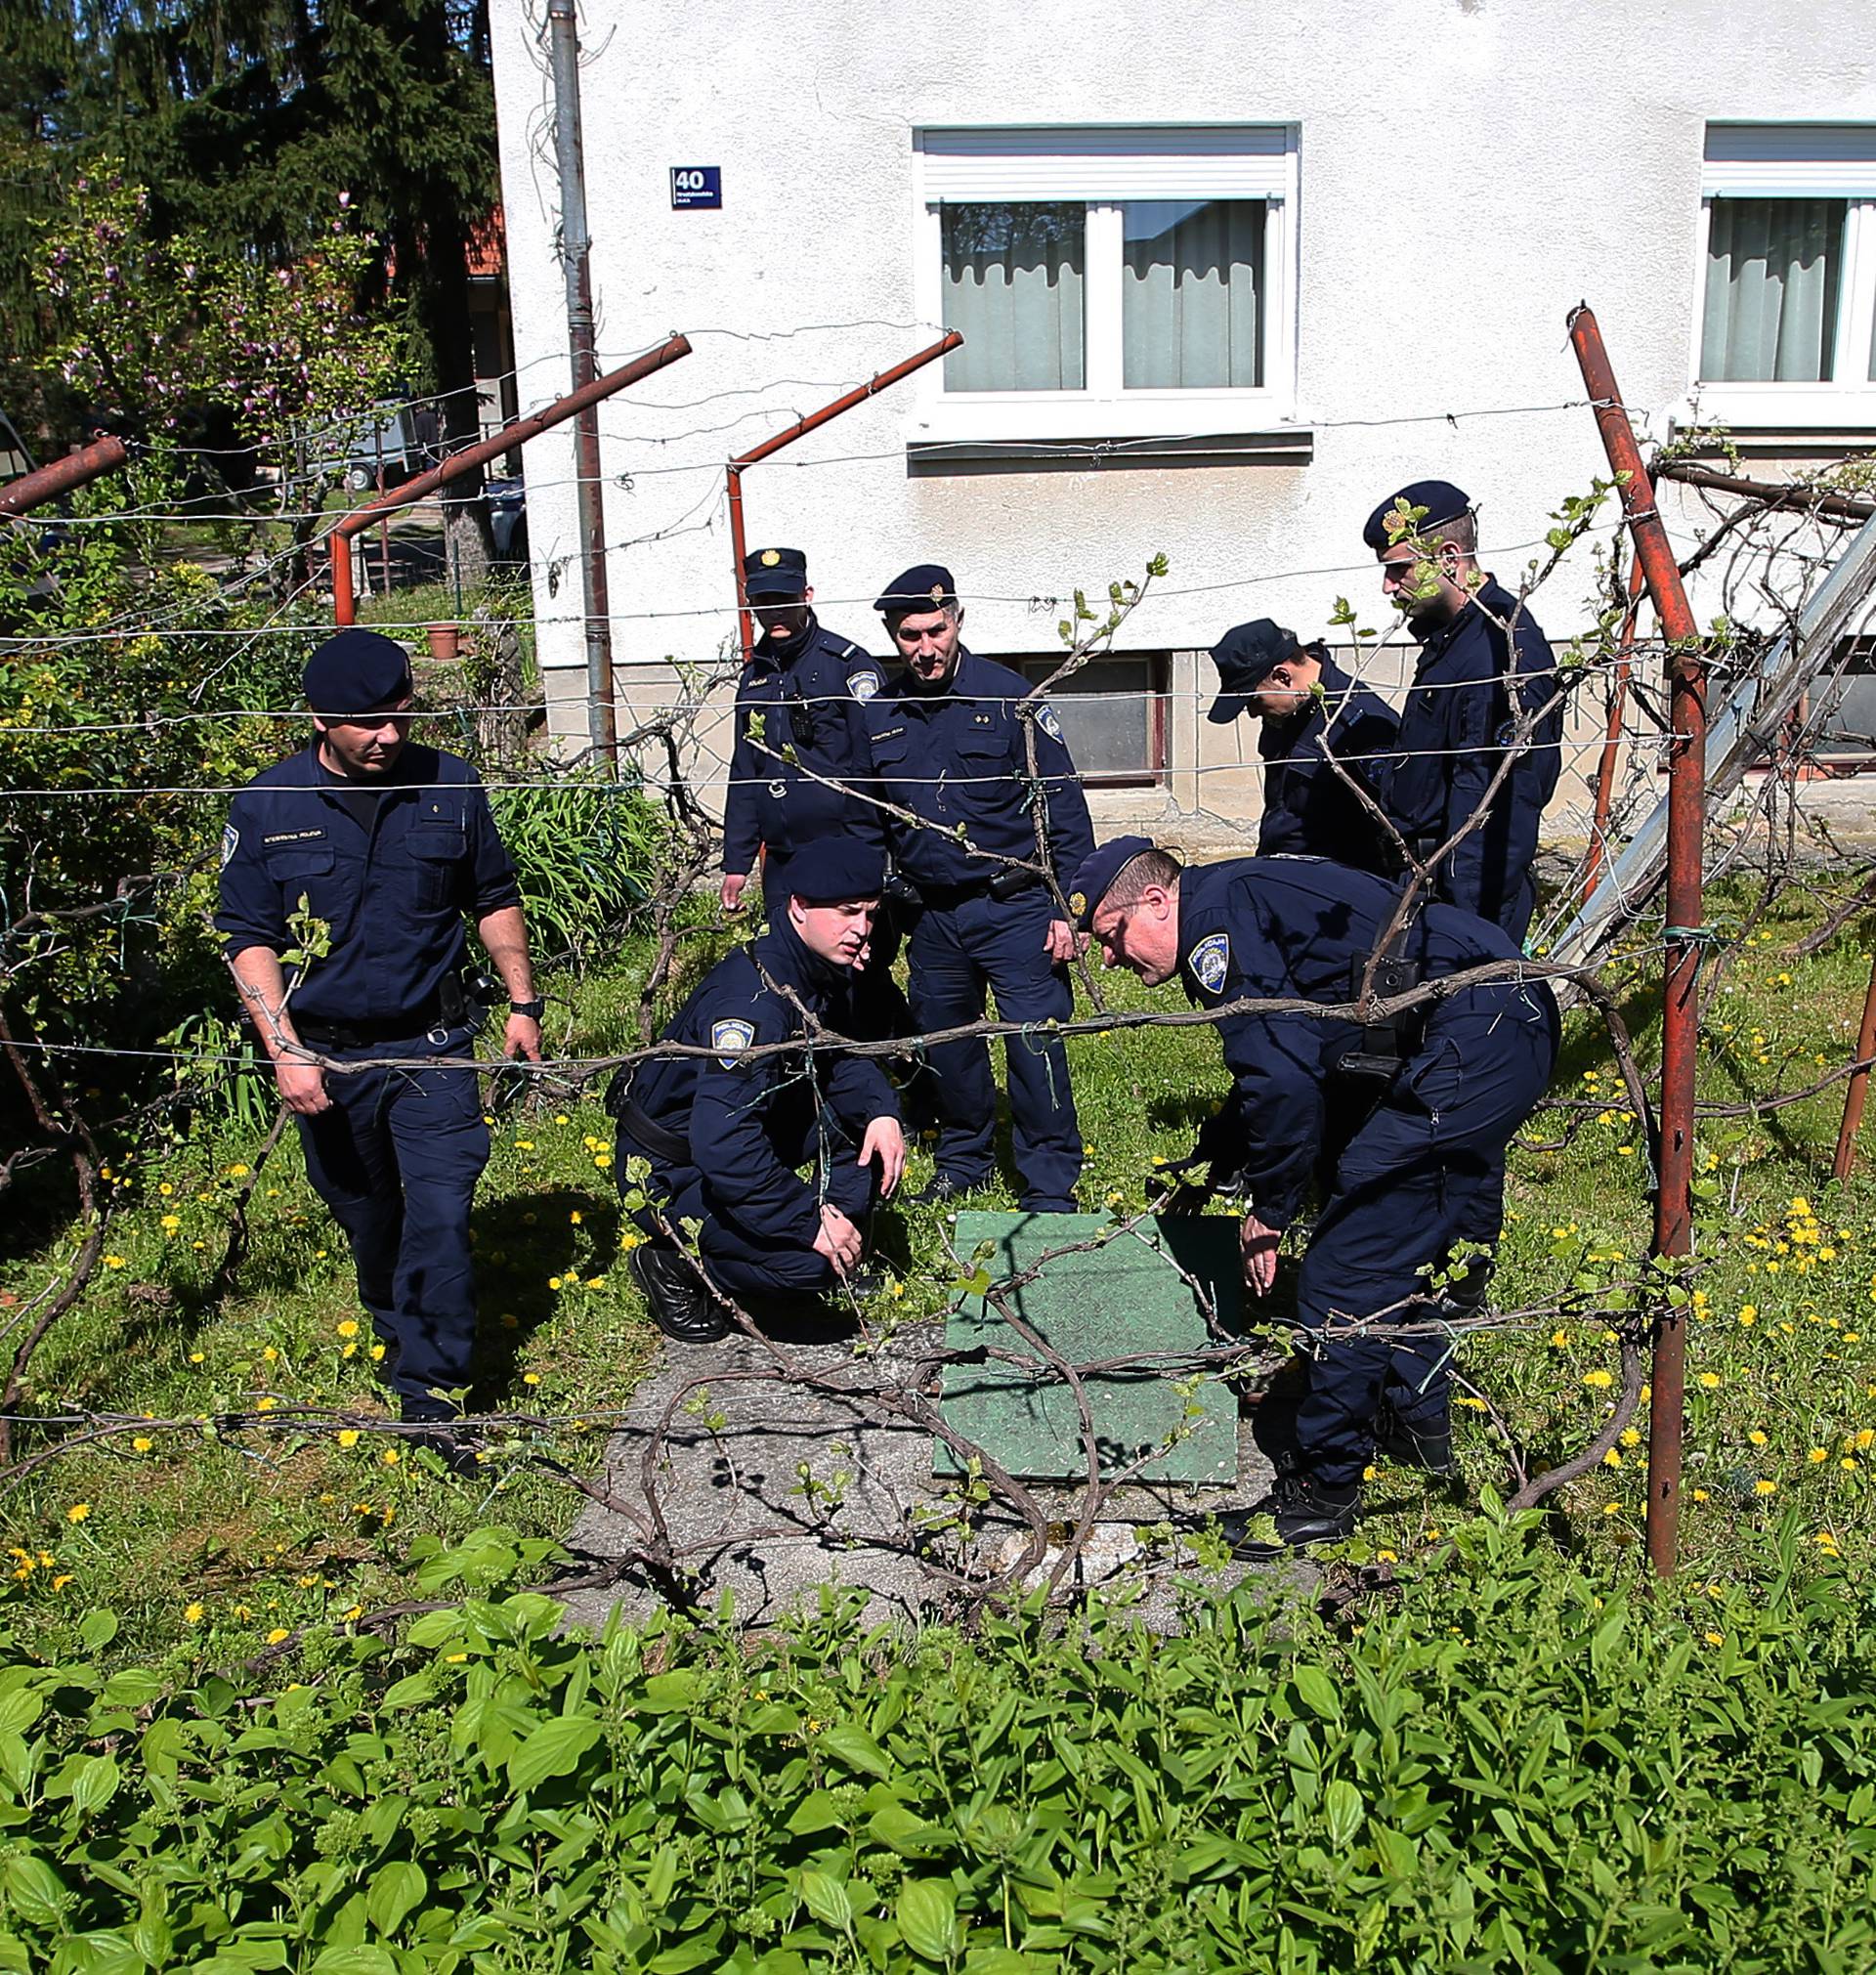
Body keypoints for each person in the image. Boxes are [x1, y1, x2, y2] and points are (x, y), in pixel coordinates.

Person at [1071, 836, 1556, 1550]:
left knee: (1347, 1263)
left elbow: (1285, 1081)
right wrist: (1216, 1156)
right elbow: (1295, 1048)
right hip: (1494, 1012)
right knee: (1402, 1233)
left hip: (1472, 1030)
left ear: (1154, 899)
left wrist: (1269, 1208)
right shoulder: (1234, 893)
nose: (1109, 959)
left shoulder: (1215, 929)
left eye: (1112, 937)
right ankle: (1415, 1420)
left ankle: (1322, 1492)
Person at [215, 627, 543, 1468]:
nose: (389, 737)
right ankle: (400, 1334)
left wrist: (521, 1000)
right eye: (368, 724)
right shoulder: (268, 804)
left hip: (434, 1045)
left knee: (440, 1213)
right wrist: (284, 1048)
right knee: (370, 1218)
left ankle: (430, 1391)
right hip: (326, 1055)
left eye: (400, 718)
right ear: (322, 718)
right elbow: (247, 936)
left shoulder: (450, 785)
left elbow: (494, 897)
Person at [609, 835, 907, 1342]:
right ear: (798, 907)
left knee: (870, 1137)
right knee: (806, 1264)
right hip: (669, 1168)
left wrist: (881, 1111)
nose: (861, 930)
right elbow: (723, 1143)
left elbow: (833, 1057)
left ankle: (837, 1242)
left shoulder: (814, 967)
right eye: (846, 912)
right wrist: (804, 1221)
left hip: (750, 1126)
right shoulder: (750, 1004)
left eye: (870, 914)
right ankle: (675, 1263)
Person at [863, 564, 1094, 1212]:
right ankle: (965, 1158)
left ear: (957, 620)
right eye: (910, 635)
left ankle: (1049, 1180)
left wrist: (1067, 908)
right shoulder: (878, 714)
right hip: (932, 916)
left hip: (1014, 904)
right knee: (948, 1047)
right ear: (894, 636)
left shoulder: (1009, 697)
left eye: (936, 629)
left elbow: (1064, 808)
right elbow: (869, 819)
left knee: (1034, 1041)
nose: (926, 647)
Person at [1362, 480, 1563, 944]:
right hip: (1428, 883)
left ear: (1449, 558)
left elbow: (1497, 804)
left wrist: (1466, 927)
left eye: (1399, 569)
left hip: (1467, 897)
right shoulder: (1453, 635)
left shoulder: (1501, 653)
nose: (1388, 587)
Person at [720, 546, 885, 916]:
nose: (775, 612)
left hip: (842, 847)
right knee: (787, 962)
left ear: (806, 596)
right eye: (764, 601)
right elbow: (746, 770)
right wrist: (737, 861)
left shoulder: (845, 665)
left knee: (854, 965)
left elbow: (872, 763)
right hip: (782, 857)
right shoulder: (753, 677)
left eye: (785, 600)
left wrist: (868, 846)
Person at [1207, 618, 1401, 875]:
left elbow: (1390, 823)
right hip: (1284, 874)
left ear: (1282, 676)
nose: (1253, 713)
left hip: (1338, 886)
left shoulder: (1359, 724)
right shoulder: (1287, 712)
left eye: (1253, 700)